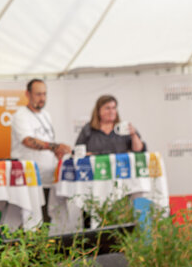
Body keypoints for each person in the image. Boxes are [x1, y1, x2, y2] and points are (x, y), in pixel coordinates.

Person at [10, 78, 71, 222]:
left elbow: (47, 143)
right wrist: (55, 146)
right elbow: (27, 140)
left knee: (46, 220)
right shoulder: (21, 115)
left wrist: (57, 151)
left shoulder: (45, 115)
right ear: (27, 94)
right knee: (30, 221)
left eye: (44, 94)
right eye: (38, 94)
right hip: (29, 180)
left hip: (47, 178)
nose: (42, 98)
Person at [75, 94, 146, 155]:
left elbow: (139, 151)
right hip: (96, 168)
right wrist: (85, 155)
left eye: (114, 108)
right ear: (98, 111)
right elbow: (77, 151)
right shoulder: (88, 129)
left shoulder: (125, 127)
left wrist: (133, 134)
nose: (111, 111)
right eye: (107, 108)